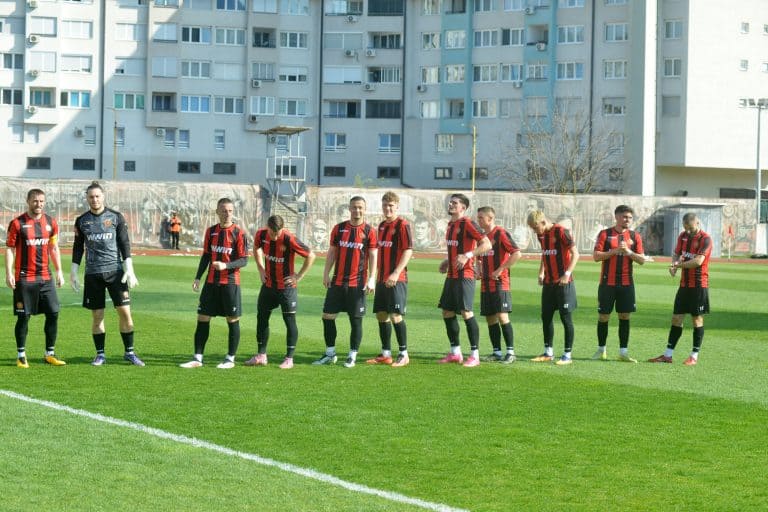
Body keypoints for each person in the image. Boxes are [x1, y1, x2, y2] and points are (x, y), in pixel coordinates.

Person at [71, 181, 143, 366]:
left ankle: (129, 352)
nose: (94, 199)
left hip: (116, 273)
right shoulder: (82, 221)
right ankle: (100, 354)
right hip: (93, 274)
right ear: (87, 198)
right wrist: (73, 272)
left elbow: (124, 243)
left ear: (103, 197)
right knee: (97, 316)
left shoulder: (116, 217)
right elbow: (78, 247)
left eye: (97, 196)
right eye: (91, 197)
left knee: (125, 313)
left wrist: (130, 269)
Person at [181, 198, 249, 369]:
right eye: (224, 210)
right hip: (211, 283)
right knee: (203, 317)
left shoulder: (239, 233)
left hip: (230, 283)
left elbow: (243, 261)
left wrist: (226, 265)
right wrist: (198, 277)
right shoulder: (211, 232)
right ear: (217, 212)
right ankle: (197, 358)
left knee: (232, 319)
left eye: (230, 211)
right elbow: (206, 256)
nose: (227, 214)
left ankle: (230, 359)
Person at [313, 196, 377, 368]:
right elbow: (332, 252)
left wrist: (372, 279)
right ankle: (330, 353)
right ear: (349, 208)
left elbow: (372, 255)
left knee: (355, 321)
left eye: (360, 207)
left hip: (358, 284)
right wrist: (326, 274)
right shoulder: (339, 229)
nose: (357, 210)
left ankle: (352, 355)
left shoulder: (369, 231)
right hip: (338, 283)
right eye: (354, 207)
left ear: (365, 209)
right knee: (327, 317)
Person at [5, 188, 66, 368]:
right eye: (35, 201)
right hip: (25, 278)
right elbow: (10, 248)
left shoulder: (51, 223)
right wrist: (8, 273)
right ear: (28, 201)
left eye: (41, 201)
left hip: (45, 277)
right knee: (24, 317)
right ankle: (21, 355)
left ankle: (50, 353)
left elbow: (53, 248)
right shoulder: (17, 223)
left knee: (54, 313)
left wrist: (59, 271)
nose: (38, 204)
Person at [245, 215, 316, 370]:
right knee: (262, 318)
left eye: (278, 233)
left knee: (289, 321)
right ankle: (261, 355)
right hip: (269, 285)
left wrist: (298, 276)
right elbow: (256, 248)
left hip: (287, 288)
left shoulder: (289, 239)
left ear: (282, 228)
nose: (275, 236)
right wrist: (260, 268)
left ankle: (289, 358)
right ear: (267, 227)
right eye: (272, 233)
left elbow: (311, 255)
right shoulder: (261, 234)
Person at [649, 212, 712, 366]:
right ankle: (668, 355)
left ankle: (694, 356)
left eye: (690, 228)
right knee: (676, 318)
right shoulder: (683, 236)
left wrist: (679, 265)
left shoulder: (705, 239)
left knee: (696, 319)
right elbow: (677, 253)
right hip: (684, 285)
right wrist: (674, 264)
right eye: (685, 228)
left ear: (697, 223)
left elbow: (698, 261)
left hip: (698, 285)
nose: (688, 231)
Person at [437, 193, 491, 367]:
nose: (451, 204)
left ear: (463, 208)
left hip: (465, 275)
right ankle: (455, 353)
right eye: (450, 202)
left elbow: (486, 244)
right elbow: (455, 248)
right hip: (452, 275)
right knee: (447, 312)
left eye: (455, 203)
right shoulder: (451, 225)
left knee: (466, 312)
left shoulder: (467, 223)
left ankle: (475, 355)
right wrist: (448, 260)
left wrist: (467, 255)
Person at [591, 205, 646, 362]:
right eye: (624, 217)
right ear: (617, 217)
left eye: (629, 217)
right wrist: (613, 252)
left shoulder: (635, 236)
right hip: (607, 283)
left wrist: (629, 252)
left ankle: (623, 352)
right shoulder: (605, 234)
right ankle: (601, 350)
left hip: (627, 284)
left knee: (624, 316)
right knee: (603, 316)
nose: (627, 220)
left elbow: (642, 260)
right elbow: (596, 256)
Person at [527, 210, 579, 365]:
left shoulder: (562, 232)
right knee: (546, 317)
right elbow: (545, 253)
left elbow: (575, 254)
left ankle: (567, 355)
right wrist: (541, 272)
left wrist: (567, 274)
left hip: (563, 283)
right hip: (549, 283)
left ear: (543, 222)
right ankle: (548, 352)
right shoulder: (541, 235)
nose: (535, 232)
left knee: (565, 318)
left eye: (536, 228)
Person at [367, 191, 413, 367]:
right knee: (381, 314)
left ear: (397, 207)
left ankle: (403, 353)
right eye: (385, 205)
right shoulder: (381, 226)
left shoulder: (402, 225)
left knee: (395, 315)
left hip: (397, 278)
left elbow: (408, 250)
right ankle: (386, 353)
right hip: (381, 278)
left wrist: (395, 272)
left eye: (391, 205)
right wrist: (373, 277)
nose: (387, 208)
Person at [476, 206, 521, 363]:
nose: (478, 220)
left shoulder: (500, 233)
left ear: (490, 218)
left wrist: (500, 269)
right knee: (490, 318)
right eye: (478, 217)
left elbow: (516, 253)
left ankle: (511, 352)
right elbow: (480, 257)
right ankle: (497, 352)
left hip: (500, 283)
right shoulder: (481, 237)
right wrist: (478, 269)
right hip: (485, 284)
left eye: (481, 217)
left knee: (502, 316)